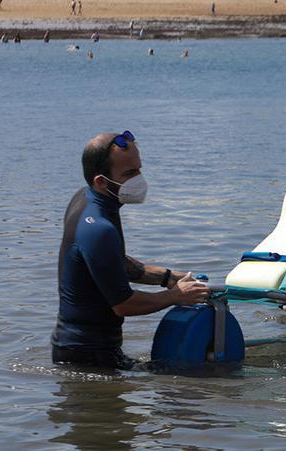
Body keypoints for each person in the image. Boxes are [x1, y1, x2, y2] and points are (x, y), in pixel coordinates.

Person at [52, 131, 209, 368]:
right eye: (129, 174)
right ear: (101, 181)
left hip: (85, 349)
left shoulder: (85, 199)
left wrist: (166, 277)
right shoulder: (100, 228)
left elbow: (108, 262)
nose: (139, 179)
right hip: (86, 355)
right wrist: (176, 296)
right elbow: (124, 304)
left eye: (139, 169)